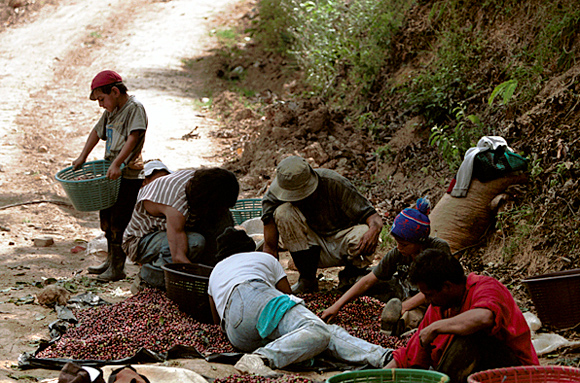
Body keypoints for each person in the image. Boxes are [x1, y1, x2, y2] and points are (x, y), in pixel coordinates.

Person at [207, 228, 393, 375]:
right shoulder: (262, 257)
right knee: (317, 329)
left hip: (238, 335)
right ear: (248, 247)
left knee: (311, 336)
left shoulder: (215, 271)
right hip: (255, 295)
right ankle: (262, 358)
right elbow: (286, 295)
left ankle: (384, 358)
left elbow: (217, 321)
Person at [385, 249, 539, 382]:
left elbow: (484, 317)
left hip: (515, 375)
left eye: (430, 295)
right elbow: (412, 351)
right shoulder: (439, 308)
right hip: (461, 374)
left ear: (447, 286)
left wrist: (435, 328)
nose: (427, 301)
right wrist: (382, 375)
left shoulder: (486, 287)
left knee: (470, 334)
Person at [321, 198, 451, 335]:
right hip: (404, 296)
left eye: (404, 244)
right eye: (397, 243)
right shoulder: (398, 253)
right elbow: (367, 281)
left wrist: (404, 307)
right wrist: (336, 306)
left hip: (430, 300)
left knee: (413, 317)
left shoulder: (438, 249)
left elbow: (438, 289)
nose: (399, 248)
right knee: (359, 282)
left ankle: (404, 328)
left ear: (420, 242)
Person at [261, 156, 383, 294]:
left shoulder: (334, 183)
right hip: (309, 247)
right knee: (283, 212)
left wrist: (374, 230)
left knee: (363, 232)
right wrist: (269, 286)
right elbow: (270, 247)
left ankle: (351, 276)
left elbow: (373, 217)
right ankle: (307, 280)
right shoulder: (273, 197)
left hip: (342, 241)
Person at [74, 70, 148, 282]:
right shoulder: (111, 112)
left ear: (115, 91)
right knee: (106, 218)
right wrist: (82, 157)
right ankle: (110, 261)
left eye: (102, 99)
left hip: (127, 174)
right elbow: (97, 132)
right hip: (111, 173)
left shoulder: (134, 109)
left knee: (119, 220)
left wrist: (117, 163)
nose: (100, 104)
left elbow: (133, 139)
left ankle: (117, 267)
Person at [122, 167, 239, 288]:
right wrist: (202, 283)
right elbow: (178, 257)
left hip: (174, 229)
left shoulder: (200, 181)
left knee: (224, 220)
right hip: (140, 240)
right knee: (195, 243)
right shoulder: (176, 206)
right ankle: (148, 278)